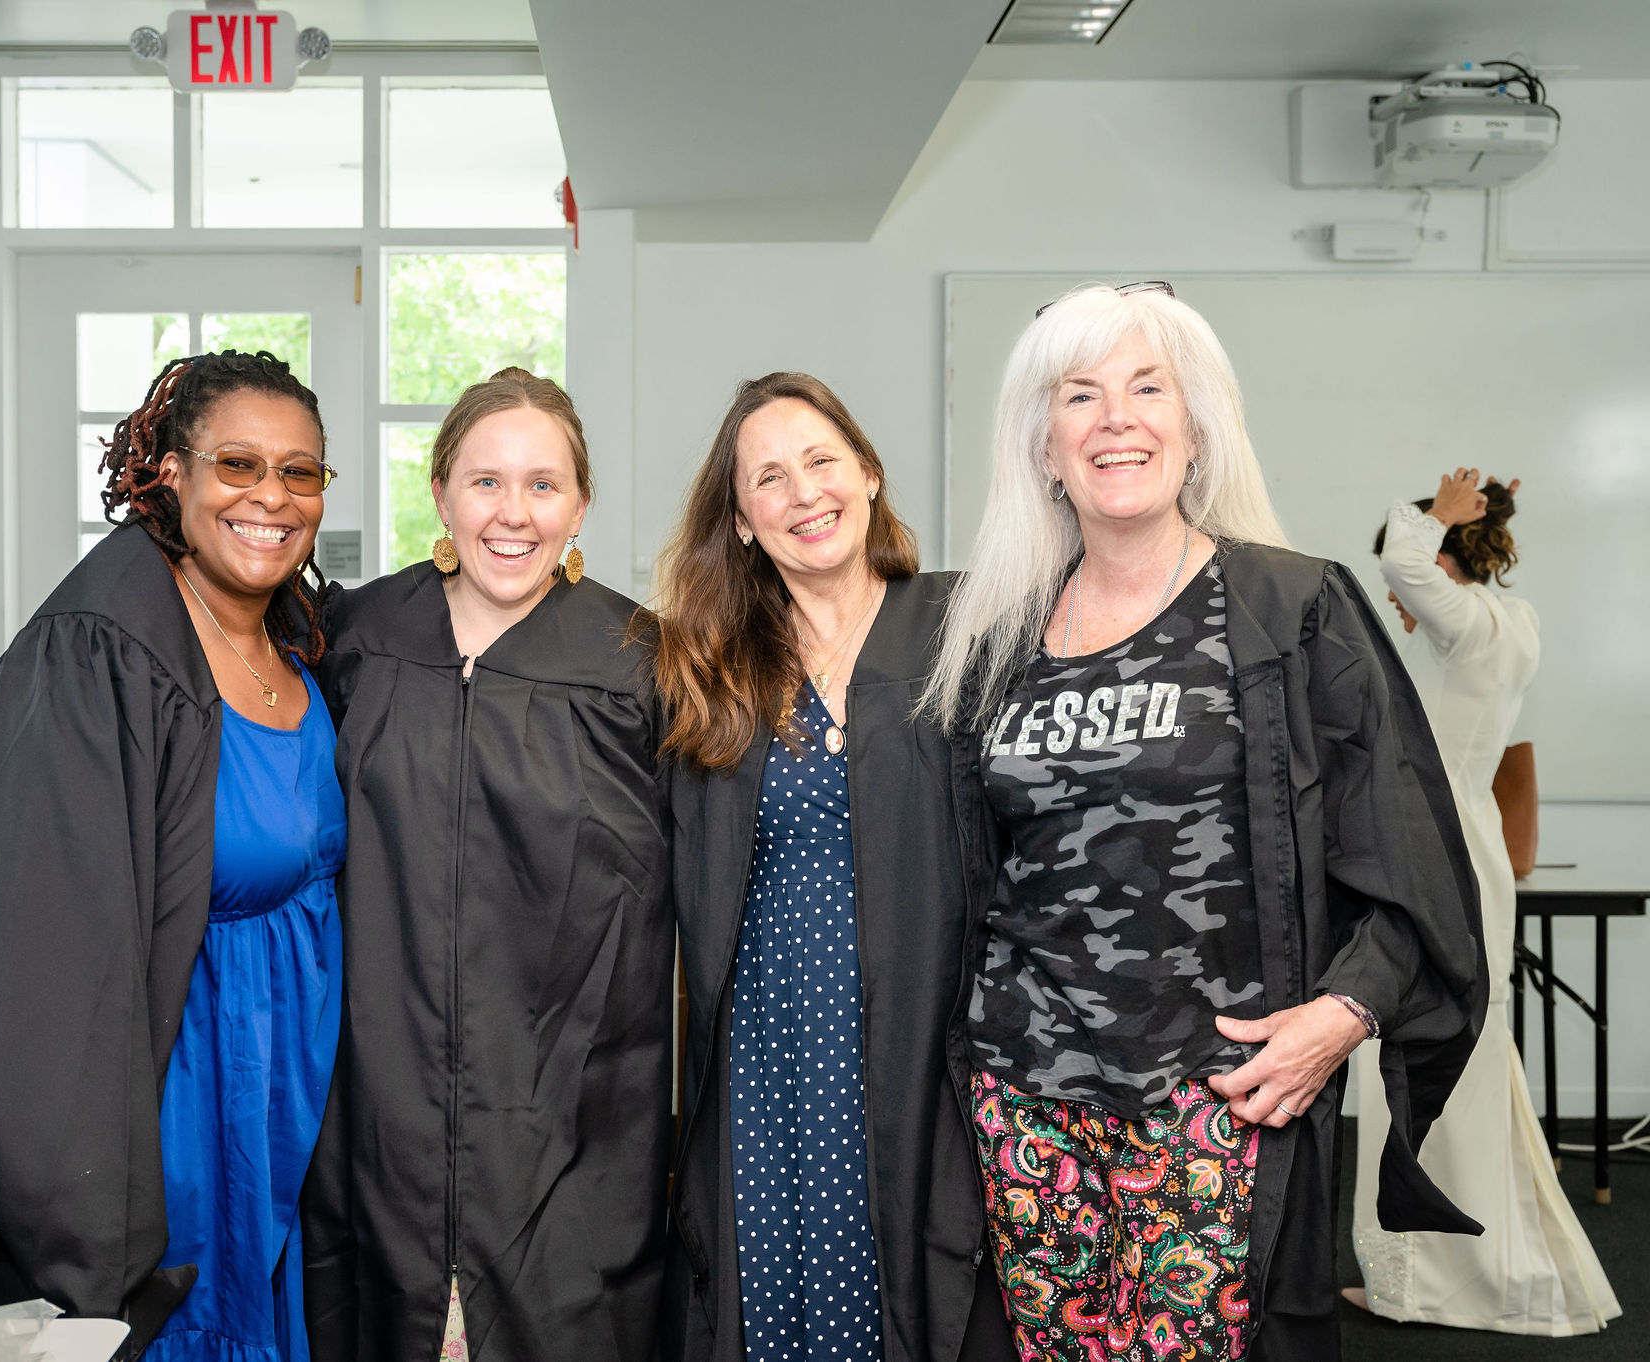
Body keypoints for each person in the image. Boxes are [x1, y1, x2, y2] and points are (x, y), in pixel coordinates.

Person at [921, 283, 1486, 1360]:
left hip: (1211, 1098)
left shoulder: (1292, 609)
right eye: (1078, 395)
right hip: (1023, 1101)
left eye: (1146, 388)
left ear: (1193, 428)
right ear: (1043, 445)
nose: (1115, 418)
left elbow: (1405, 851)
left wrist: (1346, 1014)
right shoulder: (991, 639)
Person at [0, 351, 345, 1362]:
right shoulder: (95, 658)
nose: (270, 496)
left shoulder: (301, 640)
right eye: (237, 463)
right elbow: (45, 975)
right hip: (167, 1106)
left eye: (301, 471)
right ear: (168, 474)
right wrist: (86, 1223)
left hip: (280, 1091)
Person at [299, 368, 672, 1362]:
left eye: (543, 485)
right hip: (379, 1098)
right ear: (439, 492)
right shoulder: (358, 642)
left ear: (581, 503)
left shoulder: (641, 665)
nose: (513, 515)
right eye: (485, 482)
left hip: (575, 1107)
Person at [654, 372, 1015, 1362]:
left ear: (866, 473)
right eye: (767, 478)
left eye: (820, 461)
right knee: (775, 1292)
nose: (802, 493)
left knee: (916, 1287)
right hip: (770, 1047)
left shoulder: (965, 628)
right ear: (737, 519)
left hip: (924, 1044)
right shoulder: (711, 667)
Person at [1350, 471, 1619, 1334]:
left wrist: (1436, 513)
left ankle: (1426, 1281)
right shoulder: (1516, 625)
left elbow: (1400, 556)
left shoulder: (1464, 624)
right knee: (1458, 1048)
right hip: (1474, 857)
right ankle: (1455, 1267)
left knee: (1415, 1049)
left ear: (1447, 551)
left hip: (1434, 859)